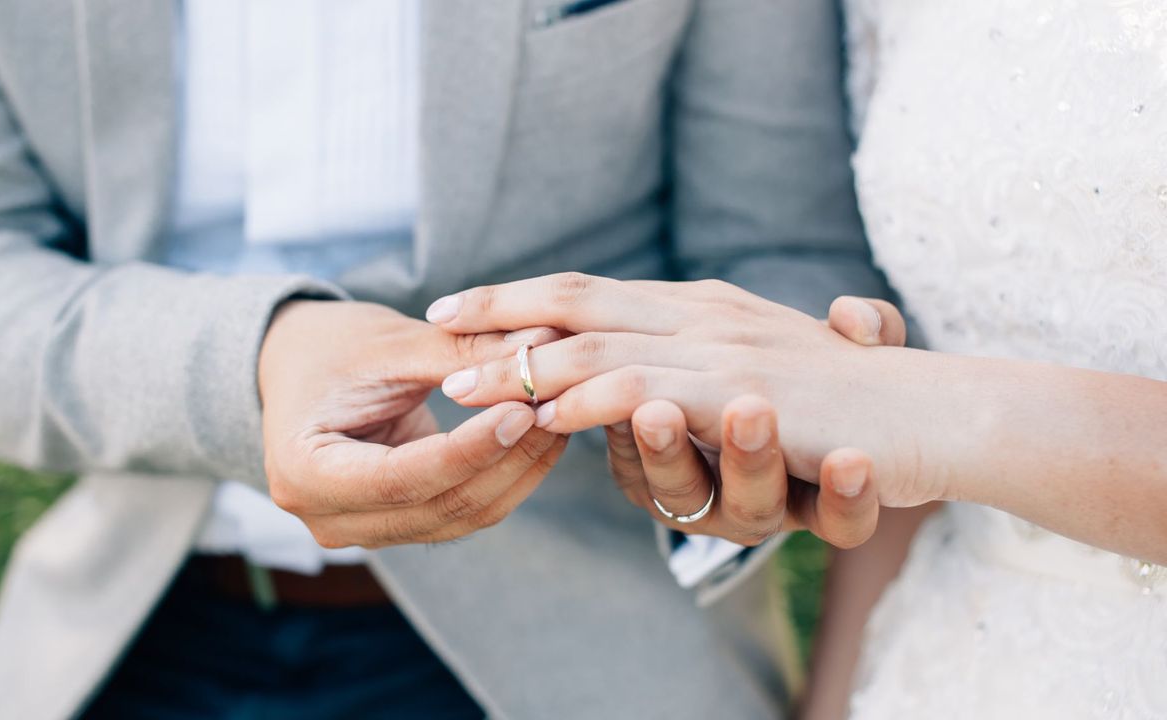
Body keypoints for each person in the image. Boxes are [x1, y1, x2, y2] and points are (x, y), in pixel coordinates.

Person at [0, 1, 901, 718]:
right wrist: (250, 365)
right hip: (126, 633)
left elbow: (776, 241)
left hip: (589, 648)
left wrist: (730, 422)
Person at [426, 1, 1167, 717]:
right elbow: (901, 465)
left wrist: (914, 405)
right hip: (946, 659)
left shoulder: (911, 406)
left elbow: (902, 413)